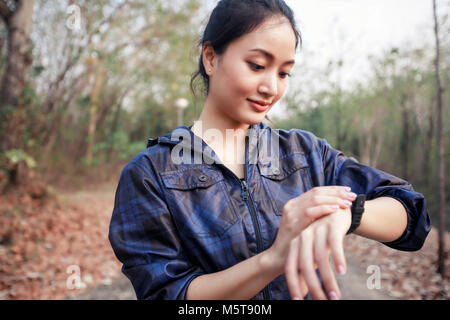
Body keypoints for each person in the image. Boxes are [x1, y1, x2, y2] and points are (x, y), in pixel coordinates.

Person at [108, 0, 431, 300]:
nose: (272, 88)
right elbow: (168, 292)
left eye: (283, 72)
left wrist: (351, 213)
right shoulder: (150, 173)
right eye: (257, 65)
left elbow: (411, 214)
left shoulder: (305, 153)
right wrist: (274, 259)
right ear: (211, 58)